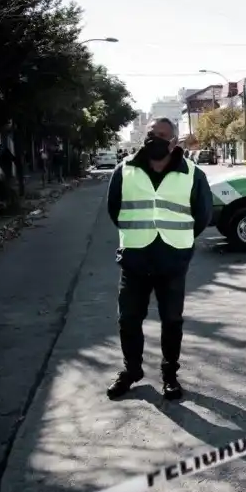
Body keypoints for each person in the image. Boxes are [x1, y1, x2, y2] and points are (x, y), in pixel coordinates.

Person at [105, 118, 213, 400]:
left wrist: (180, 243)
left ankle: (170, 375)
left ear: (174, 141)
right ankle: (132, 370)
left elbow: (201, 216)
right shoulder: (124, 169)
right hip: (135, 258)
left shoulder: (192, 173)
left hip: (172, 259)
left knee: (172, 320)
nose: (155, 139)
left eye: (162, 135)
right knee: (128, 319)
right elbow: (115, 209)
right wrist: (138, 233)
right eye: (151, 134)